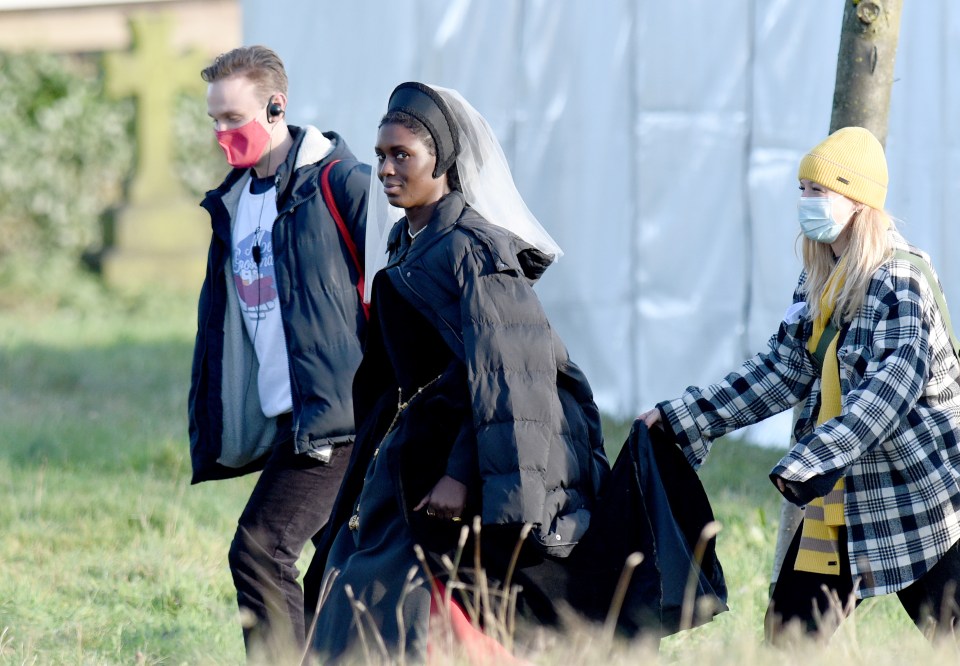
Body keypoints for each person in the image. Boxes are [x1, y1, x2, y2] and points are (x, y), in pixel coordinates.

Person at [306, 82, 610, 663]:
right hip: (408, 455)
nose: (387, 170)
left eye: (403, 156)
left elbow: (509, 381)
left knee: (404, 597)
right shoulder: (408, 239)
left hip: (452, 461)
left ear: (442, 161)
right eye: (380, 156)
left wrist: (460, 474)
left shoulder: (472, 250)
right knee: (362, 583)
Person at [640, 126, 960, 642]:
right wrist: (683, 416)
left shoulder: (902, 284)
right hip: (839, 498)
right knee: (788, 638)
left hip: (915, 499)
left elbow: (886, 396)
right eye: (803, 190)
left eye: (820, 191)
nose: (806, 202)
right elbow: (781, 369)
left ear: (858, 202)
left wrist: (810, 460)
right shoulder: (819, 278)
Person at [187, 45, 370, 659]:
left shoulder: (339, 183)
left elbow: (398, 288)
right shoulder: (234, 201)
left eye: (232, 118)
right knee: (334, 570)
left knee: (261, 549)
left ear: (275, 106)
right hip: (289, 418)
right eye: (213, 119)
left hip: (341, 417)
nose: (221, 133)